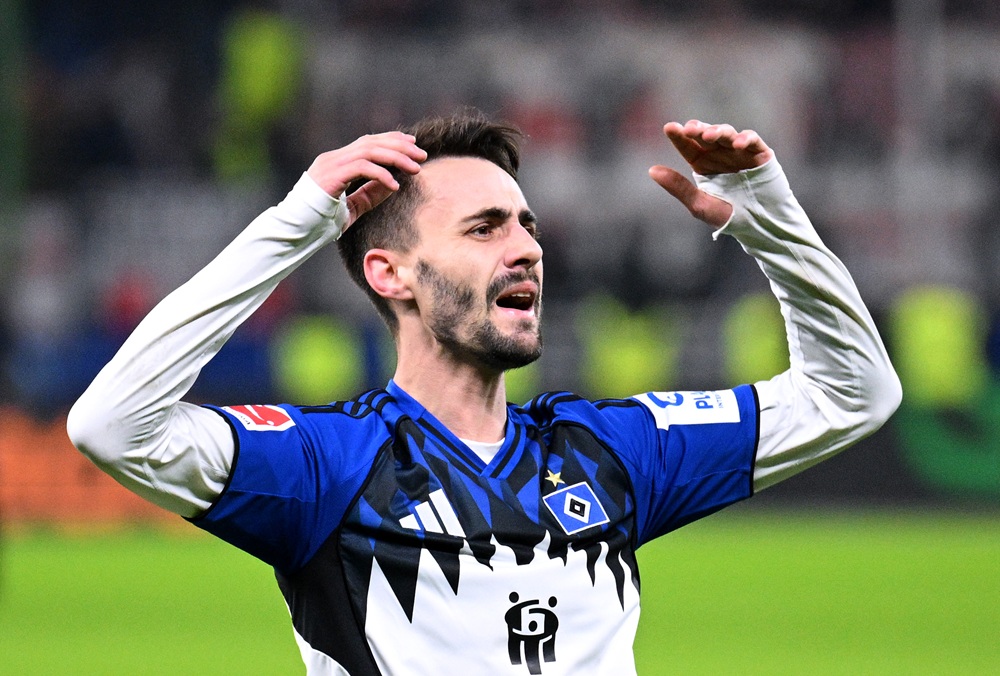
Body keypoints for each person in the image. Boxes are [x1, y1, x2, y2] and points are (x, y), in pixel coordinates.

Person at [67, 110, 902, 675]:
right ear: (390, 274)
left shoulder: (610, 450)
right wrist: (299, 222)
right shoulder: (329, 467)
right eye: (484, 228)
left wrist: (768, 218)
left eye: (526, 225)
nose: (526, 247)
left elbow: (853, 394)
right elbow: (113, 426)